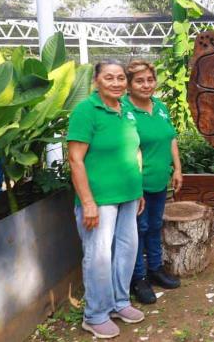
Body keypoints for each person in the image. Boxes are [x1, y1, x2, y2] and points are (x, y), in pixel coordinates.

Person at [68, 59, 146, 339]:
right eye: (109, 78)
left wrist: (137, 191)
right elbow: (75, 160)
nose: (117, 83)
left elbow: (134, 149)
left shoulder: (125, 108)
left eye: (121, 78)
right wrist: (87, 202)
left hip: (128, 195)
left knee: (126, 250)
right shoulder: (86, 111)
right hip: (100, 198)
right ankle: (95, 314)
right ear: (97, 81)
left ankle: (119, 302)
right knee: (99, 255)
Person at [123, 60, 182, 304]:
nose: (146, 85)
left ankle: (155, 269)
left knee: (155, 225)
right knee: (138, 229)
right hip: (137, 184)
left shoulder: (160, 107)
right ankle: (138, 278)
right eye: (139, 80)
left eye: (150, 80)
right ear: (128, 85)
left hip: (160, 181)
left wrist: (177, 169)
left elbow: (171, 139)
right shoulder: (124, 110)